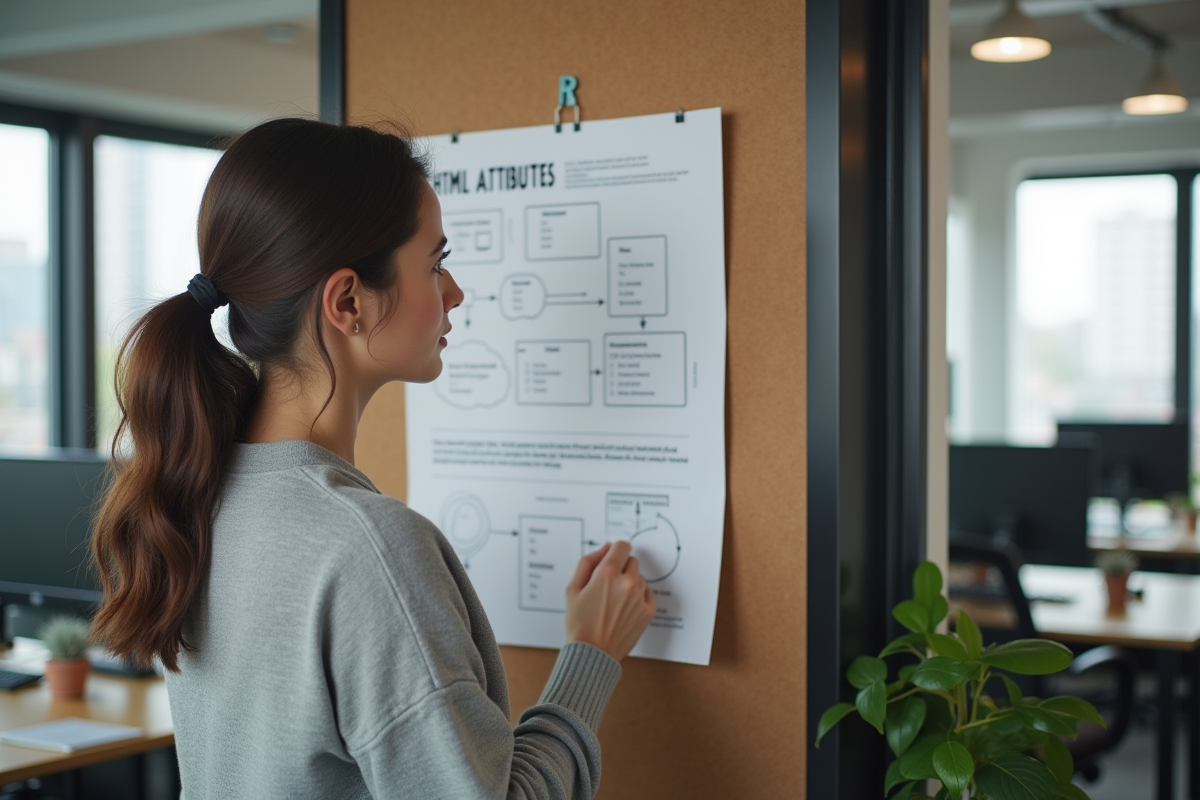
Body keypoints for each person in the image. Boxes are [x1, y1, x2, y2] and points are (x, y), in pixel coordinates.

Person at [89, 118, 656, 800]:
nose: (454, 293)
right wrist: (589, 657)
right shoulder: (368, 550)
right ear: (348, 301)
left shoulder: (198, 497)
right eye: (435, 264)